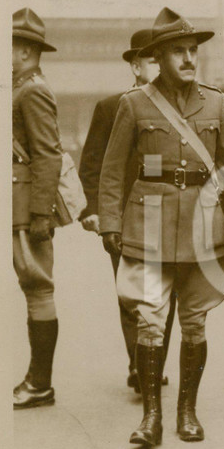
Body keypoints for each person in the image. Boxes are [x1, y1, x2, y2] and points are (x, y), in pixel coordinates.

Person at [99, 7, 224, 448]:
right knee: (149, 321)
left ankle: (187, 410)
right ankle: (152, 417)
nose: (189, 59)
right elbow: (112, 171)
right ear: (159, 58)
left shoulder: (218, 103)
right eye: (179, 52)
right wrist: (110, 221)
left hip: (203, 223)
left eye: (193, 51)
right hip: (148, 222)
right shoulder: (134, 104)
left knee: (194, 322)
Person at [79, 28, 176, 392]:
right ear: (137, 66)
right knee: (132, 293)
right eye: (153, 60)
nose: (160, 66)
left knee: (167, 293)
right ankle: (140, 364)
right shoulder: (111, 107)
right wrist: (95, 211)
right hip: (124, 216)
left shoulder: (179, 108)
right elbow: (92, 165)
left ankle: (154, 363)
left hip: (168, 213)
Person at [11, 8, 63, 410]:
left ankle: (40, 383)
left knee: (38, 287)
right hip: (14, 203)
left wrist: (41, 214)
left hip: (25, 207)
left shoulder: (32, 90)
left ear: (26, 50)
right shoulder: (17, 86)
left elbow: (47, 154)